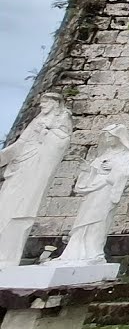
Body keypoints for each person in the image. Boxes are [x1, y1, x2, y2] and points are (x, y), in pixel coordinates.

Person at [47, 123, 129, 265]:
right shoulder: (105, 153)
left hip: (107, 190)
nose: (107, 139)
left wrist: (114, 168)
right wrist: (86, 170)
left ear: (118, 137)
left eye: (110, 136)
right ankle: (73, 253)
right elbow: (93, 170)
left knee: (100, 220)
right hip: (94, 189)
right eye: (105, 136)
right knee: (83, 219)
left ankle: (93, 252)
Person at [0, 94, 74, 267]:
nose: (42, 105)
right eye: (41, 102)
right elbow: (20, 144)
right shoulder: (37, 120)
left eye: (47, 102)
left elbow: (61, 142)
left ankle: (8, 256)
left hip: (37, 168)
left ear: (56, 104)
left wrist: (50, 132)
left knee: (22, 211)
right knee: (6, 208)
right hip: (21, 167)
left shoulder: (62, 120)